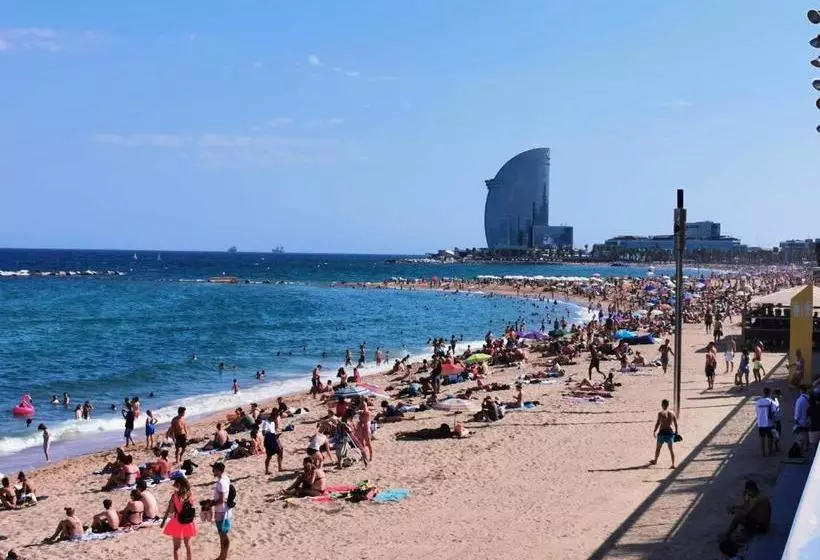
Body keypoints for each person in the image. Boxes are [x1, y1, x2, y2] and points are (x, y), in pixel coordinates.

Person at [161, 477, 197, 560]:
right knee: (188, 545)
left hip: (178, 521)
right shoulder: (190, 493)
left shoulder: (175, 496)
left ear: (178, 485)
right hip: (189, 521)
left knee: (176, 547)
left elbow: (171, 511)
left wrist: (172, 502)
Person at [211, 462, 232, 560]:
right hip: (226, 510)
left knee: (223, 534)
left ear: (219, 471)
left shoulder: (220, 482)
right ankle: (222, 555)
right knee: (223, 534)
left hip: (221, 511)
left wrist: (210, 504)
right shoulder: (226, 478)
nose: (213, 471)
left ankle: (223, 556)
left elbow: (221, 499)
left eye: (214, 470)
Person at [650, 399, 678, 469]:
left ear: (662, 405)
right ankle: (673, 464)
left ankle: (655, 460)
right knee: (671, 450)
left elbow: (658, 423)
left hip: (662, 433)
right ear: (668, 405)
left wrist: (654, 431)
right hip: (669, 433)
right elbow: (675, 424)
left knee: (658, 448)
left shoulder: (660, 413)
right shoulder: (672, 413)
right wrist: (676, 431)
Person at [755, 387, 775, 456]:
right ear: (769, 393)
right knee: (770, 437)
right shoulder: (770, 401)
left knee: (762, 437)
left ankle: (762, 452)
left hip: (761, 423)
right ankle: (770, 451)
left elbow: (757, 412)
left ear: (763, 392)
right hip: (769, 423)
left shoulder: (758, 401)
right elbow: (773, 412)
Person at [794, 385, 811, 453]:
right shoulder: (810, 398)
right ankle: (806, 447)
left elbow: (798, 412)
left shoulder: (799, 400)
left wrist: (796, 420)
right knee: (807, 434)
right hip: (809, 420)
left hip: (801, 421)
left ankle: (802, 450)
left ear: (800, 391)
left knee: (801, 436)